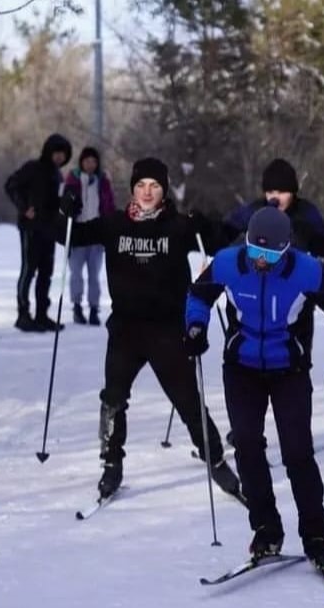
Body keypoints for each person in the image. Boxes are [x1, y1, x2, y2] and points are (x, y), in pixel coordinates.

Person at [185, 207, 324, 566]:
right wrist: (195, 327)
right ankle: (266, 529)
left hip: (289, 371)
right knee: (247, 447)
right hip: (241, 369)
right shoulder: (228, 263)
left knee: (298, 453)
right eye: (255, 251)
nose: (261, 261)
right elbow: (198, 296)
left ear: (286, 249)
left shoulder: (306, 271)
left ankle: (316, 533)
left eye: (270, 255)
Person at [58, 157, 240, 500]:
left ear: (164, 190)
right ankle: (111, 465)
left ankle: (215, 460)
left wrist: (209, 224)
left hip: (169, 330)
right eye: (141, 186)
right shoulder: (113, 225)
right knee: (113, 399)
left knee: (188, 400)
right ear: (132, 189)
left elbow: (220, 244)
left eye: (154, 186)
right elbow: (68, 237)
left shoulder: (179, 226)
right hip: (126, 330)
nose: (147, 192)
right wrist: (63, 211)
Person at [220, 158, 324, 448]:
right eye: (270, 190)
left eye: (282, 191)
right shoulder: (256, 210)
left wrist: (309, 236)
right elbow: (224, 231)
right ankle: (245, 430)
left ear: (293, 192)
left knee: (296, 362)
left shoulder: (306, 212)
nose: (275, 197)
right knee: (242, 361)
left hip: (294, 296)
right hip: (252, 292)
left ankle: (297, 429)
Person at [4, 133, 72, 332]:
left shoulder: (58, 175)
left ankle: (42, 314)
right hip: (31, 228)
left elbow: (57, 201)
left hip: (49, 229)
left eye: (63, 154)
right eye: (56, 153)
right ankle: (23, 314)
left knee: (46, 273)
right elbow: (10, 185)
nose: (59, 157)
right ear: (49, 152)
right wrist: (24, 207)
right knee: (28, 270)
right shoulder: (33, 168)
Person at [63, 146, 115, 326]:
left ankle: (94, 309)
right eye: (87, 161)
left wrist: (110, 226)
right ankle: (77, 307)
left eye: (93, 161)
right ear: (81, 162)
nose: (90, 164)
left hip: (97, 233)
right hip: (78, 233)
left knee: (94, 275)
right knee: (76, 273)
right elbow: (64, 205)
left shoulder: (103, 181)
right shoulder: (73, 180)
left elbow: (109, 206)